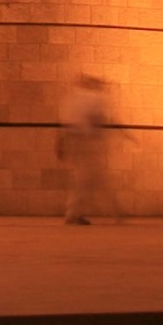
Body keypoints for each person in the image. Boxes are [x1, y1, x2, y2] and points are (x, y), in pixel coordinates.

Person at [59, 71, 114, 225]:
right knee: (85, 177)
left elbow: (65, 122)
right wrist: (99, 136)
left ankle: (74, 212)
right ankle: (75, 213)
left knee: (81, 177)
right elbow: (97, 117)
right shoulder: (94, 98)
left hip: (73, 139)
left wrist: (61, 144)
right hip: (86, 139)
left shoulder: (71, 98)